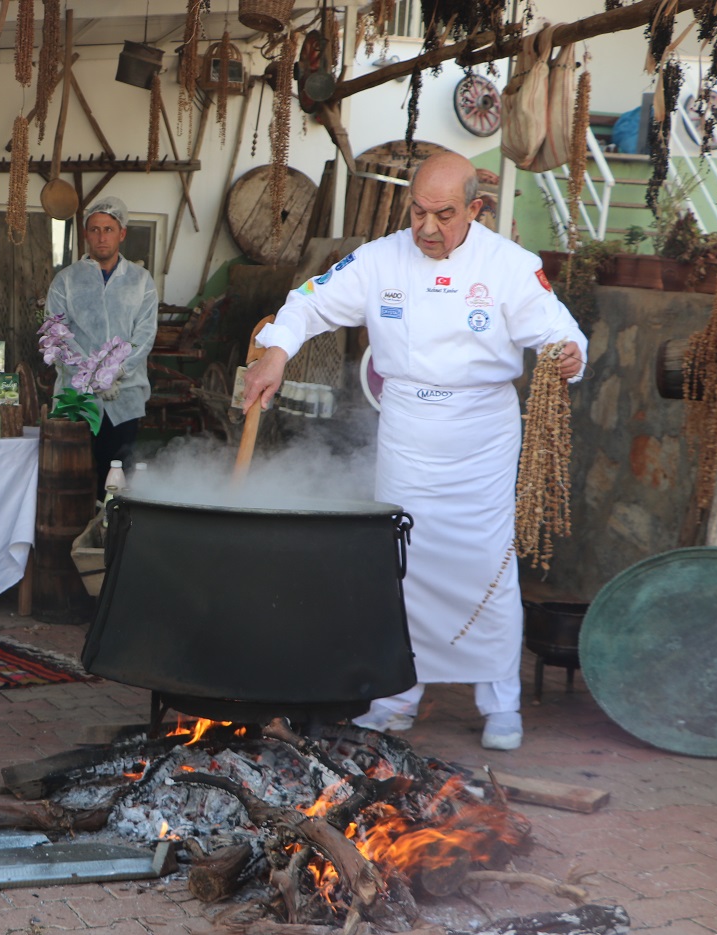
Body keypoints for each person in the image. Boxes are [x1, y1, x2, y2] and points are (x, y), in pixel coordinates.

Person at [241, 151, 586, 752]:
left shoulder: (508, 266)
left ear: (475, 209)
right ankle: (395, 697)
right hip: (407, 431)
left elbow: (558, 329)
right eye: (418, 212)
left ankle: (499, 702)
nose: (427, 228)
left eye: (444, 215)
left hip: (481, 438)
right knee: (401, 564)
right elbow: (311, 301)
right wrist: (276, 350)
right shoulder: (378, 261)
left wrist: (568, 352)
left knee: (488, 566)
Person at [44, 197, 158, 486]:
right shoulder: (66, 281)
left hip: (124, 396)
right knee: (73, 478)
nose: (101, 236)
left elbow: (144, 334)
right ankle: (78, 531)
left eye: (108, 229)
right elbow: (57, 333)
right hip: (77, 398)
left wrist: (117, 370)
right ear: (85, 235)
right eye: (94, 229)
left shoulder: (141, 280)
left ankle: (112, 528)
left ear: (122, 233)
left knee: (117, 476)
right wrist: (93, 376)